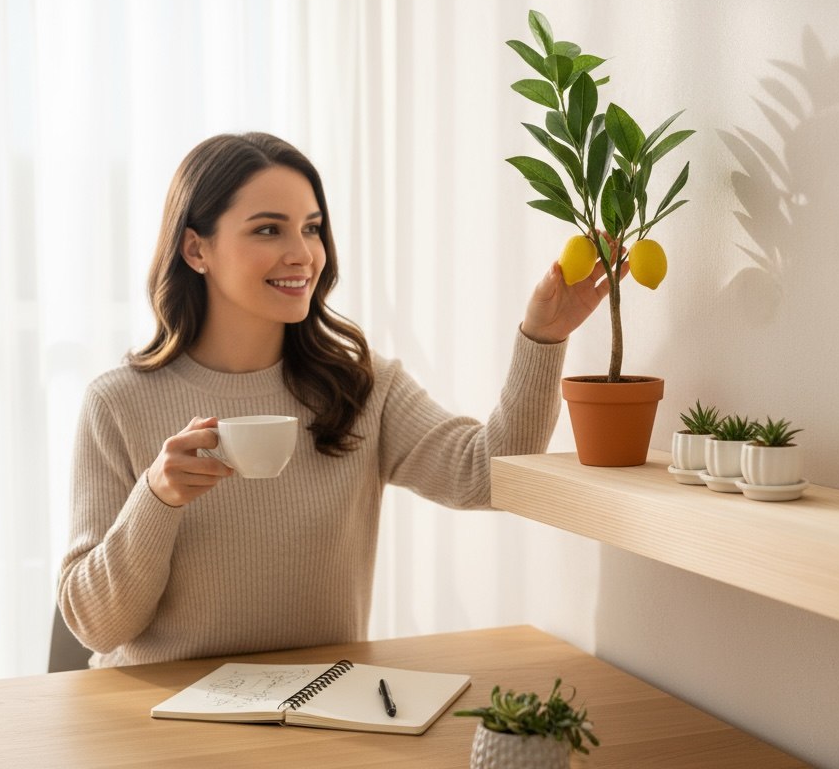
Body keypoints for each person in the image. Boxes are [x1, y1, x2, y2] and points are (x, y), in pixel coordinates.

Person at [58, 132, 612, 667]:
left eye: (313, 228)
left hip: (313, 713)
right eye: (268, 230)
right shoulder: (117, 404)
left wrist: (544, 337)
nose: (303, 254)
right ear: (195, 248)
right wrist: (157, 495)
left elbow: (490, 476)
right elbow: (96, 627)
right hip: (156, 724)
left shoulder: (362, 387)